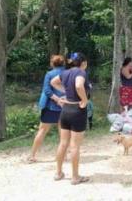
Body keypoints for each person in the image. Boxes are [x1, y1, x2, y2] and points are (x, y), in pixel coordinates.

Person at [51, 52, 90, 185]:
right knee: (74, 146)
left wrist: (66, 92)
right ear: (83, 63)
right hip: (77, 110)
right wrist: (84, 100)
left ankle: (58, 173)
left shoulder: (65, 72)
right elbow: (79, 85)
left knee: (63, 143)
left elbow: (53, 82)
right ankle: (75, 177)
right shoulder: (81, 72)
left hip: (65, 110)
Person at [28, 55, 65, 163]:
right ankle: (64, 156)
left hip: (50, 106)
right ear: (63, 63)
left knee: (42, 130)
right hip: (65, 105)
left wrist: (57, 100)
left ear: (52, 64)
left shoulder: (49, 74)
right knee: (63, 131)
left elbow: (47, 91)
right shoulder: (67, 73)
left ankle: (33, 155)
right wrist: (62, 100)